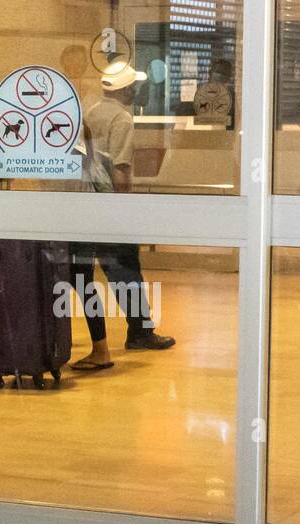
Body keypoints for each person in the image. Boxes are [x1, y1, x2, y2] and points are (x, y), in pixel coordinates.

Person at [69, 63, 176, 372]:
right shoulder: (122, 118)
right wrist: (123, 210)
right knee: (126, 269)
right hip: (108, 203)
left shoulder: (90, 112)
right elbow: (121, 168)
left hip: (85, 203)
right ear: (126, 90)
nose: (136, 91)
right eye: (134, 87)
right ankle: (141, 331)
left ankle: (101, 340)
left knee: (83, 276)